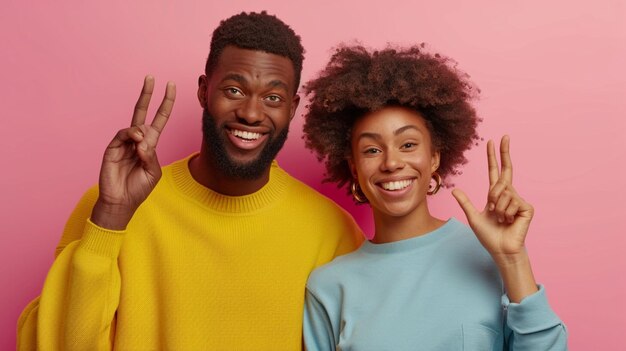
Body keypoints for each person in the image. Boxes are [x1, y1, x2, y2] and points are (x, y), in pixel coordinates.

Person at [17, 12, 362, 350]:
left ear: (292, 107)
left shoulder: (331, 231)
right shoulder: (111, 206)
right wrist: (109, 219)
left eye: (273, 97)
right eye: (234, 90)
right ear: (203, 91)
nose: (252, 113)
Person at [301, 45, 568, 350]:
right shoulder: (329, 288)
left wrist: (512, 259)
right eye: (372, 150)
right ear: (354, 168)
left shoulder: (488, 255)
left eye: (408, 144)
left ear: (434, 158)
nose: (391, 162)